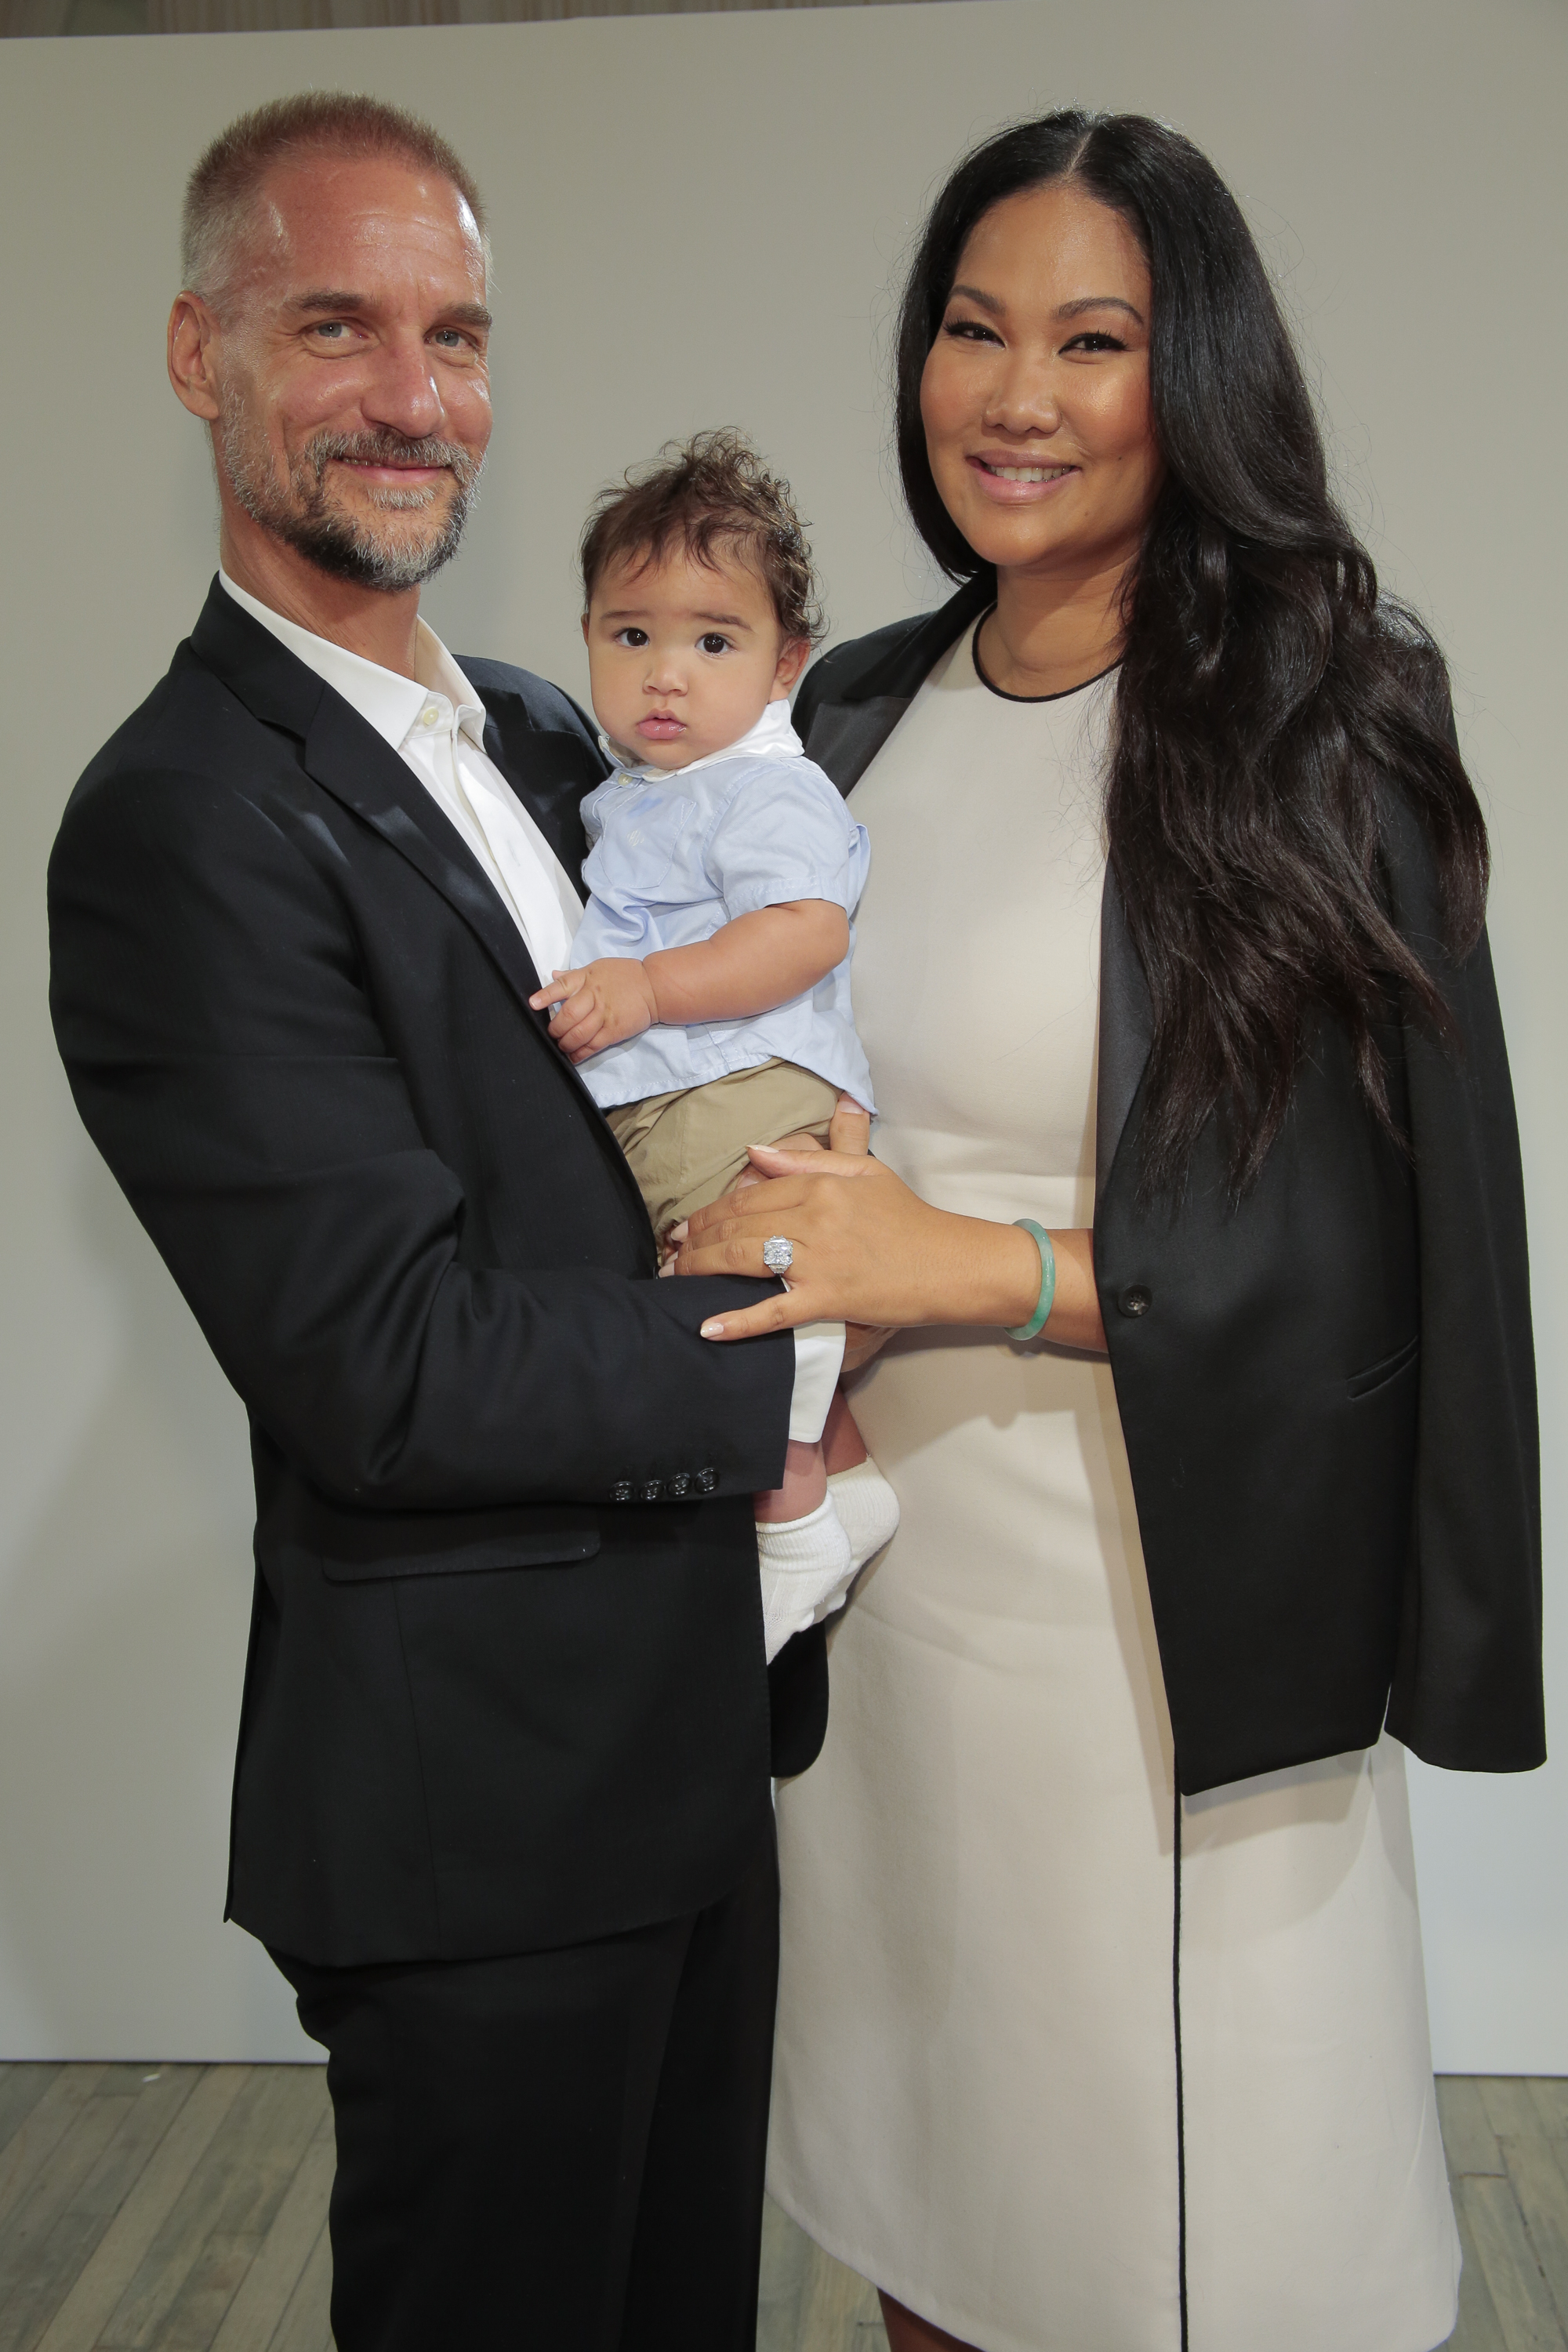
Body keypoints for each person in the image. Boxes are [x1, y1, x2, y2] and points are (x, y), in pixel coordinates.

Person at [672, 111, 1543, 2352]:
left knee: (1221, 2252)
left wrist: (962, 1269)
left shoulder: (1320, 716)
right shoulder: (849, 714)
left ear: (1201, 376)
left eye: (1094, 339)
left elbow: (1387, 1246)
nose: (1016, 395)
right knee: (928, 2202)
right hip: (885, 1607)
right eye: (975, 329)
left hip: (1171, 1624)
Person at [46, 93, 843, 2352]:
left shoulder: (547, 727)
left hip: (681, 1752)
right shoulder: (175, 823)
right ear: (202, 357)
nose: (416, 396)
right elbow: (382, 1363)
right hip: (476, 1826)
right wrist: (807, 1336)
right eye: (338, 327)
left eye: (458, 333)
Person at [532, 430, 898, 1656]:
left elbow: (801, 934)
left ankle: (792, 1529)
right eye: (629, 635)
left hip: (740, 1088)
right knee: (731, 1296)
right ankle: (850, 1483)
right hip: (693, 1089)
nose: (665, 676)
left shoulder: (766, 789)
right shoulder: (638, 787)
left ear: (785, 664)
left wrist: (643, 991)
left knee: (739, 1307)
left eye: (713, 640)